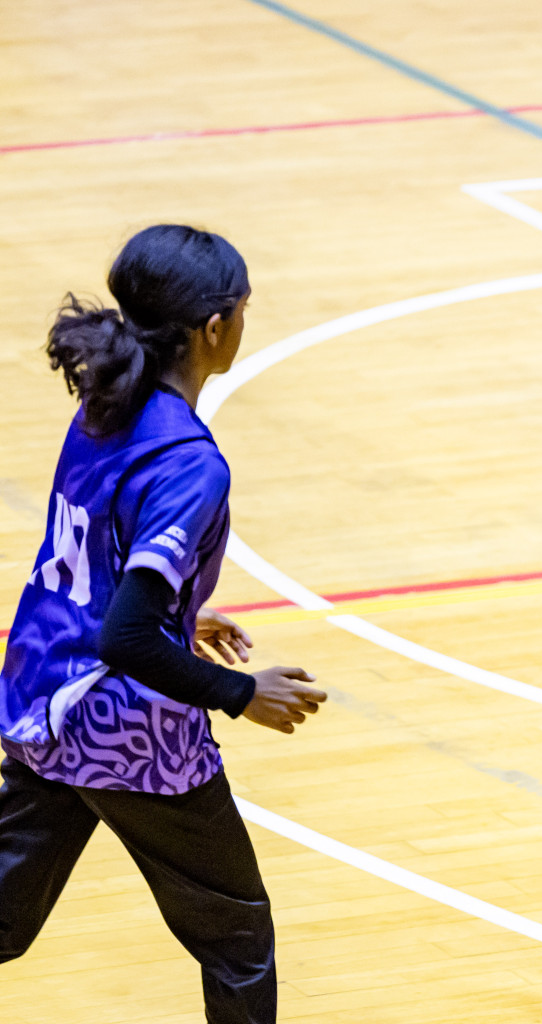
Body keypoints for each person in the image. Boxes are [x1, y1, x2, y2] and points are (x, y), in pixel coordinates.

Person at [0, 225, 325, 1023]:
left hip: (43, 695)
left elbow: (98, 552)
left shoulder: (106, 402)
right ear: (215, 330)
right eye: (244, 311)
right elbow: (129, 639)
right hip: (123, 725)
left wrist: (182, 604)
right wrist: (239, 692)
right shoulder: (191, 463)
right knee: (237, 939)